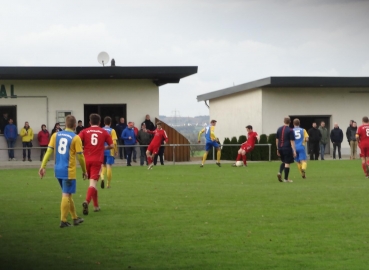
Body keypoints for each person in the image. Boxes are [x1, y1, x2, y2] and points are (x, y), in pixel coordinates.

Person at [38, 115, 88, 228]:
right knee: (66, 194)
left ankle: (75, 218)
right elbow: (80, 157)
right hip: (68, 170)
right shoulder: (75, 138)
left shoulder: (55, 135)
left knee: (68, 194)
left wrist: (43, 166)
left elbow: (49, 151)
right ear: (75, 125)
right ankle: (63, 221)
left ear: (65, 124)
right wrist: (85, 170)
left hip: (58, 170)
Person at [79, 114, 114, 214]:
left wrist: (82, 148)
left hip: (86, 160)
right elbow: (111, 145)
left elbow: (76, 141)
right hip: (97, 160)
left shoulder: (84, 131)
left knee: (93, 183)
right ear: (99, 122)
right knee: (93, 183)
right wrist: (104, 148)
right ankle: (87, 201)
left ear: (90, 122)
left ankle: (96, 206)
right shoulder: (103, 132)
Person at [276, 117, 296, 183]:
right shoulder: (290, 130)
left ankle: (279, 172)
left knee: (284, 161)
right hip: (287, 148)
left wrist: (277, 148)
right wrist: (294, 150)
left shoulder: (279, 129)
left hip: (280, 148)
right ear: (290, 122)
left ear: (283, 121)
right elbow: (292, 141)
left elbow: (277, 139)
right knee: (287, 163)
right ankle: (286, 179)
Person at [100, 116, 118, 189]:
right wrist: (116, 150)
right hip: (109, 150)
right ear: (110, 123)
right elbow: (114, 142)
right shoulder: (112, 130)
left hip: (102, 150)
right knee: (109, 166)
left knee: (103, 166)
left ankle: (102, 178)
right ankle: (108, 184)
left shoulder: (101, 130)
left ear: (104, 123)